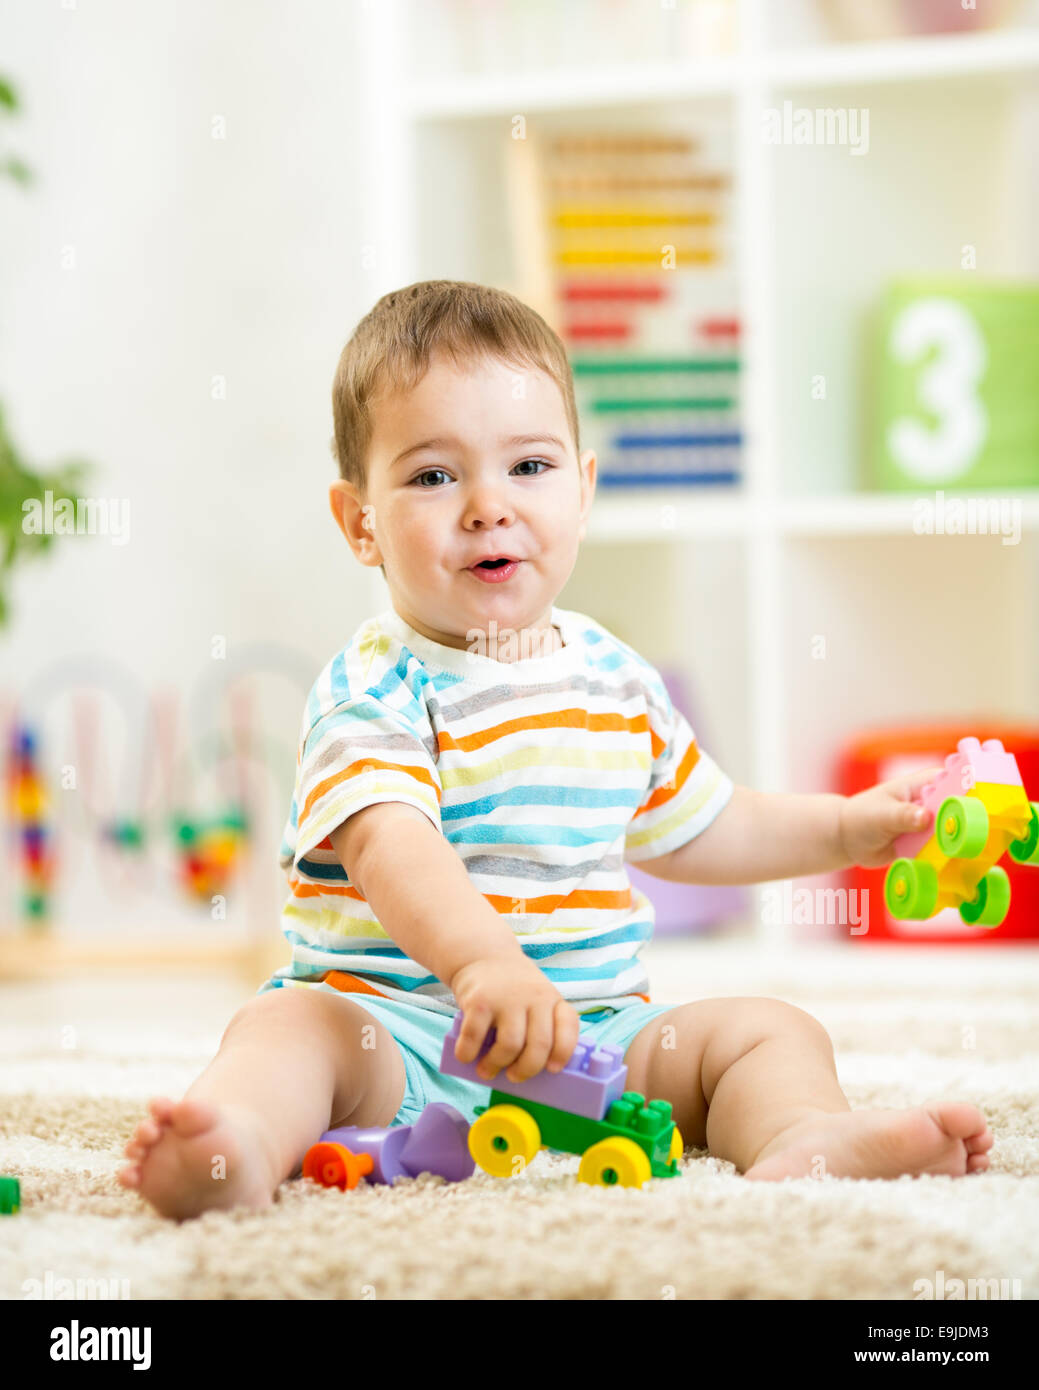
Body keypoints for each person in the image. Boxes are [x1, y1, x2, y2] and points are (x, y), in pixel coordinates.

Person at [118, 281, 992, 1220]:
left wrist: (850, 831)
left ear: (583, 487)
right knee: (286, 1030)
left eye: (527, 467)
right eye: (432, 476)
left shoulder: (614, 677)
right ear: (359, 522)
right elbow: (387, 846)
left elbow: (705, 825)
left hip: (596, 1038)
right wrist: (485, 967)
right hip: (397, 1037)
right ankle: (233, 1146)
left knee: (770, 1030)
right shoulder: (373, 686)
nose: (487, 506)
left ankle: (797, 1134)